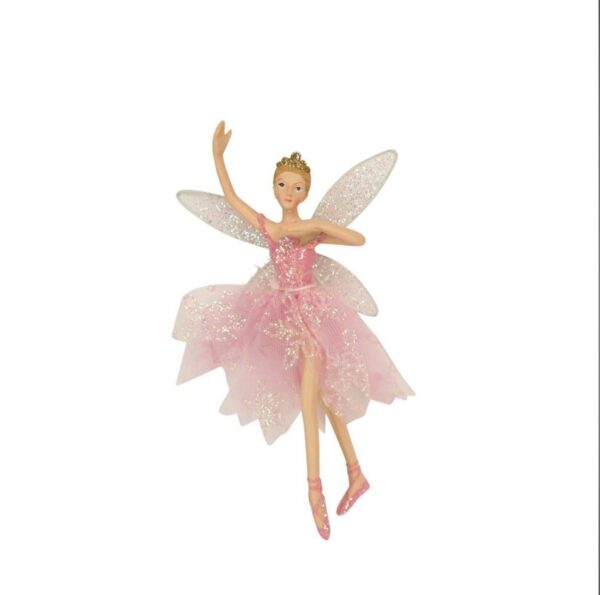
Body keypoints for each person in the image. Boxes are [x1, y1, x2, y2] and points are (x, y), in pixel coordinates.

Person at [173, 121, 415, 539]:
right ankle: (355, 472)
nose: (289, 192)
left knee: (310, 396)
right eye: (283, 185)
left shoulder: (306, 228)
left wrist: (314, 226)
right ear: (274, 188)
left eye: (297, 187)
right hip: (281, 315)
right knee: (320, 395)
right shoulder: (269, 226)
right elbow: (231, 199)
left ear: (305, 192)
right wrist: (218, 157)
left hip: (314, 313)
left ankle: (314, 489)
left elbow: (356, 238)